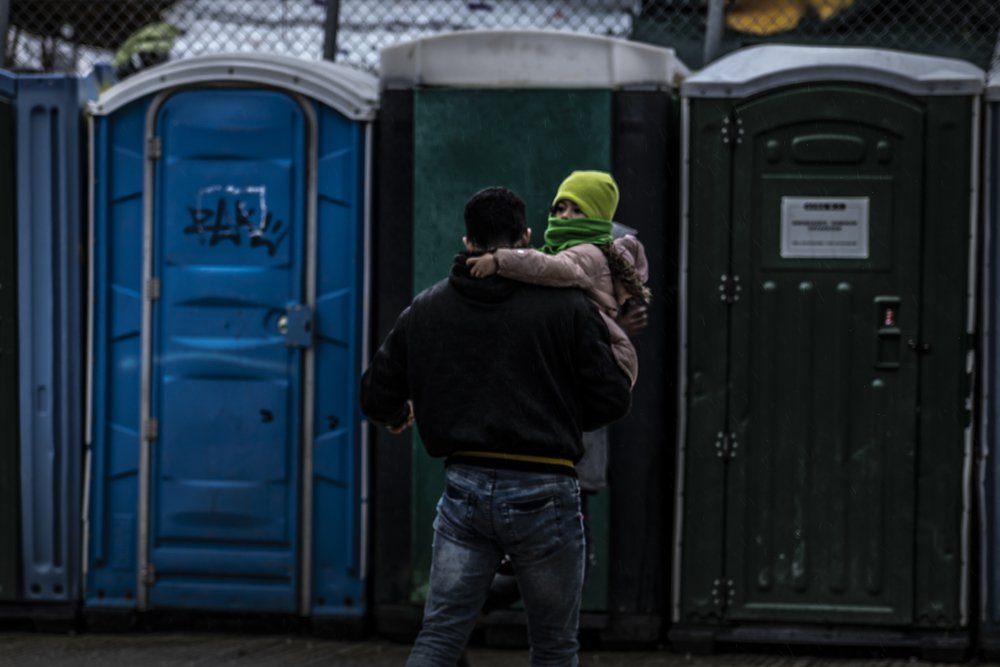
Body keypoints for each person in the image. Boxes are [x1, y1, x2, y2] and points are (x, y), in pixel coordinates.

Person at [360, 186, 632, 666]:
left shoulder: (427, 307)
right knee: (553, 645)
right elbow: (611, 396)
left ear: (467, 243)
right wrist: (559, 413)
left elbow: (376, 392)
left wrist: (399, 413)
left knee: (440, 636)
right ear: (526, 239)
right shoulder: (567, 307)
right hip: (546, 490)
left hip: (464, 489)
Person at [466, 171, 651, 608]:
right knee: (550, 552)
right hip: (549, 426)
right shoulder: (550, 256)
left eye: (576, 209)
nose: (565, 216)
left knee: (557, 550)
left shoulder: (585, 254)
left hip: (562, 425)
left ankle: (462, 612)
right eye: (560, 208)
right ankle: (467, 611)